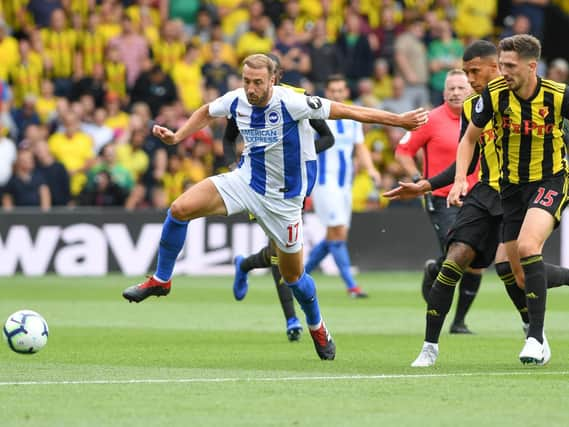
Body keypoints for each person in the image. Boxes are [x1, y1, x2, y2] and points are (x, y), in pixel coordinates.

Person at [122, 53, 428, 360]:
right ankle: (162, 280)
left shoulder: (292, 102)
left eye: (257, 82)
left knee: (293, 277)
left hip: (285, 202)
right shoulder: (236, 100)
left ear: (273, 79)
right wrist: (177, 137)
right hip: (246, 181)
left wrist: (398, 121)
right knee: (179, 209)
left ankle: (317, 326)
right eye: (246, 81)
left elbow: (347, 111)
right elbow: (206, 110)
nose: (251, 89)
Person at [448, 34, 569, 365]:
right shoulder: (494, 95)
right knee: (516, 271)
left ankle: (534, 338)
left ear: (532, 66)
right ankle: (538, 336)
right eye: (500, 65)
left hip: (551, 180)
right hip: (511, 189)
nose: (503, 71)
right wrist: (460, 178)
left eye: (510, 66)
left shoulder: (559, 96)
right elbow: (469, 140)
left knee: (529, 248)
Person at [227, 53, 335, 342]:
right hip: (258, 182)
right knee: (279, 253)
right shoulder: (246, 103)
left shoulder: (298, 100)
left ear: (276, 76)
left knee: (279, 253)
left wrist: (297, 153)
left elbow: (328, 138)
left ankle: (245, 265)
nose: (254, 86)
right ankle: (291, 318)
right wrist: (233, 163)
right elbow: (229, 137)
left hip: (291, 185)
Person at [395, 69, 480, 334]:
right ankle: (435, 269)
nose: (455, 92)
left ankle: (459, 321)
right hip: (442, 199)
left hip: (478, 197)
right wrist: (419, 179)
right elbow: (402, 151)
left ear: (471, 90)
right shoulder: (430, 119)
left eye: (461, 88)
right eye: (451, 88)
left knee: (476, 260)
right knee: (457, 253)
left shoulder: (482, 116)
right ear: (443, 93)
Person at [304, 74, 381, 298]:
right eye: (333, 91)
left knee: (335, 237)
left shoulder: (351, 118)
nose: (337, 94)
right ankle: (351, 286)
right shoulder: (317, 117)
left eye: (340, 90)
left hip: (344, 185)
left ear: (345, 92)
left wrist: (371, 169)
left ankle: (298, 276)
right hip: (323, 183)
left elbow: (360, 148)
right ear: (327, 93)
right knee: (337, 232)